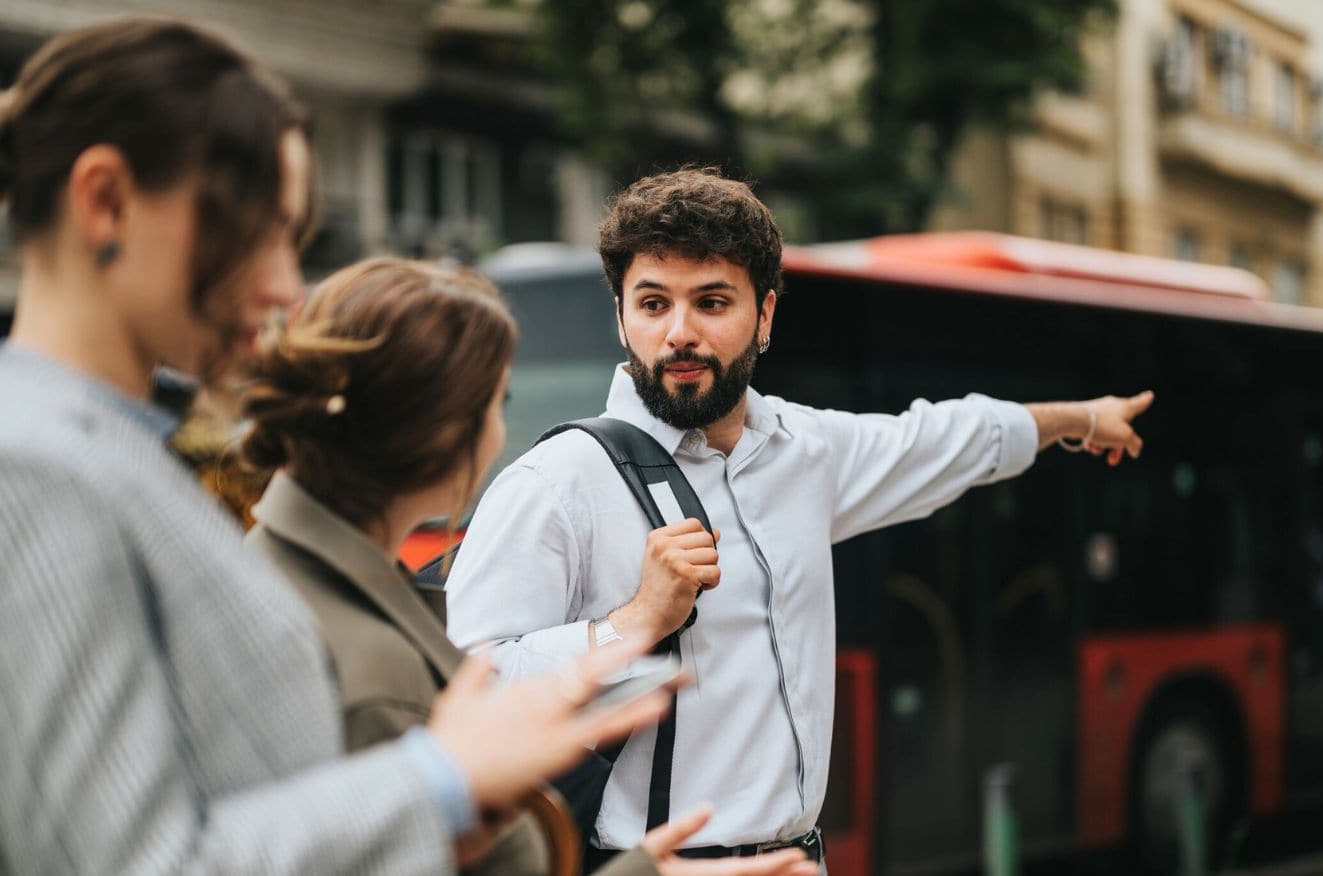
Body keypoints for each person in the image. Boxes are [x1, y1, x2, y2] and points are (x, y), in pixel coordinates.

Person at [0, 18, 669, 875]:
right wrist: (439, 776)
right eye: (257, 231)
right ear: (105, 201)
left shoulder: (109, 458)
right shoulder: (21, 477)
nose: (284, 286)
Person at [446, 167, 1156, 863]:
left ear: (766, 316)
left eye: (713, 303)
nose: (680, 334)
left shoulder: (801, 450)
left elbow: (941, 439)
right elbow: (463, 688)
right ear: (623, 316)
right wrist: (631, 624)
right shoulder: (558, 482)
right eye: (654, 303)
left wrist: (1079, 419)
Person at [239, 256, 820, 876]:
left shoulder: (276, 579)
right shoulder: (374, 676)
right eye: (498, 403)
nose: (502, 432)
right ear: (443, 438)